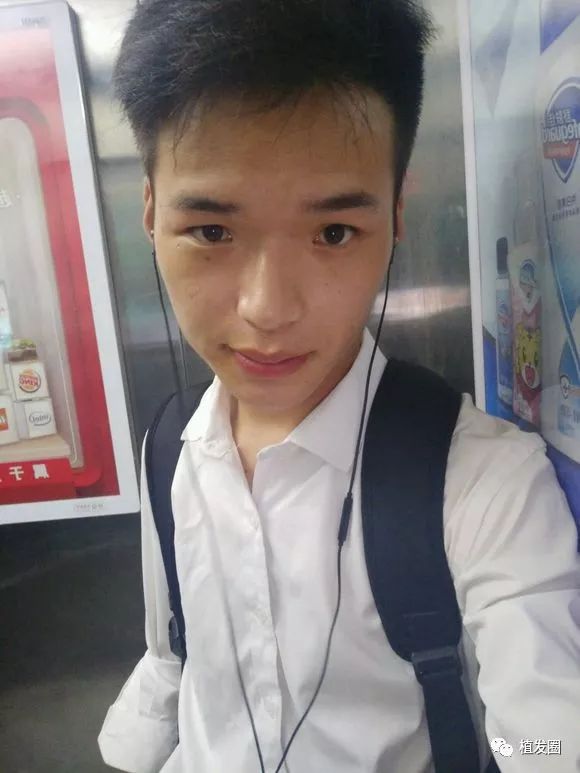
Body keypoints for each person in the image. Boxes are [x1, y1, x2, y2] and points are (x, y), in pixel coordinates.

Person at [98, 1, 580, 771]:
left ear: (395, 218)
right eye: (213, 231)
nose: (268, 309)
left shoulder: (481, 483)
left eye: (333, 232)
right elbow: (172, 657)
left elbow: (543, 737)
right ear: (150, 213)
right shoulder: (168, 448)